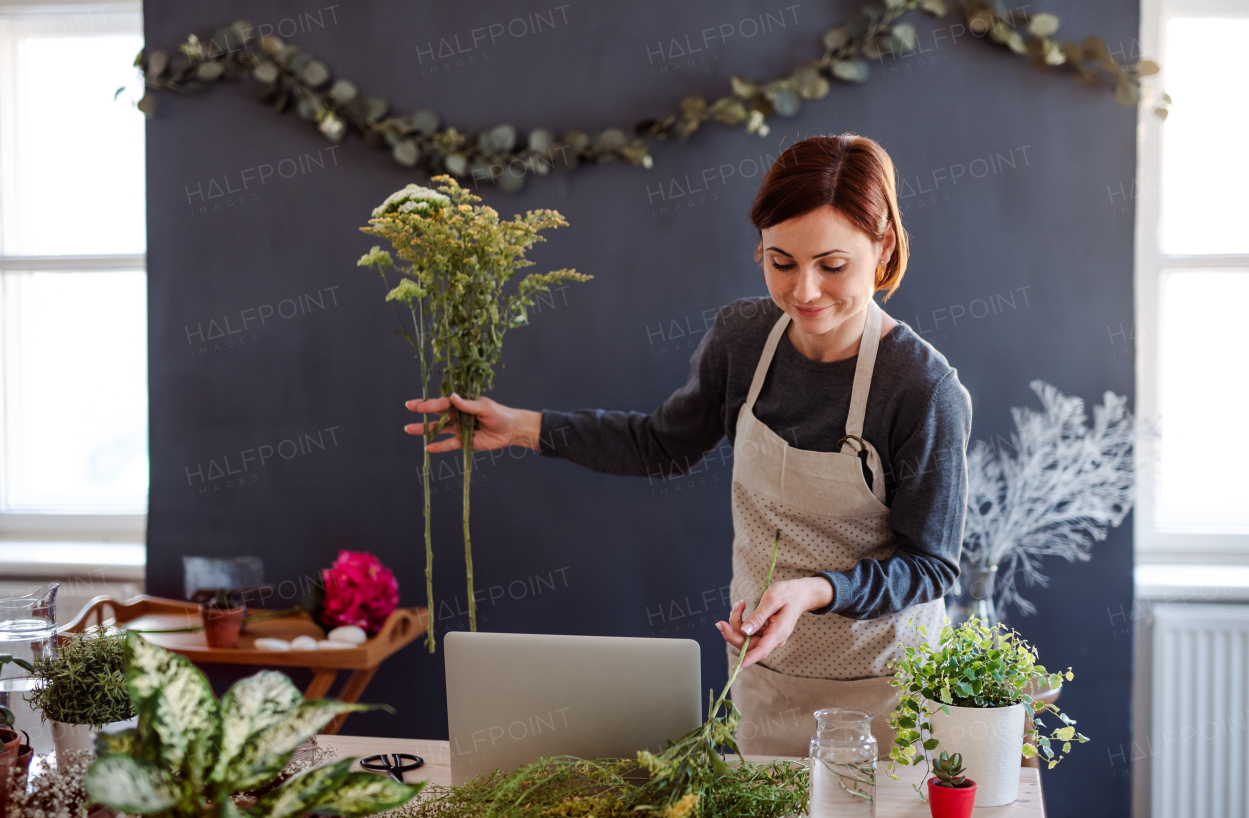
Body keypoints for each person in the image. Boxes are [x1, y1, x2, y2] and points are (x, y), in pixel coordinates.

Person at [405, 133, 971, 758]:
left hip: (886, 693)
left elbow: (932, 564)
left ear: (883, 245)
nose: (805, 291)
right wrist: (522, 427)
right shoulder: (743, 339)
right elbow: (660, 444)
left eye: (832, 266)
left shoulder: (921, 387)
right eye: (781, 262)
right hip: (766, 677)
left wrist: (816, 589)